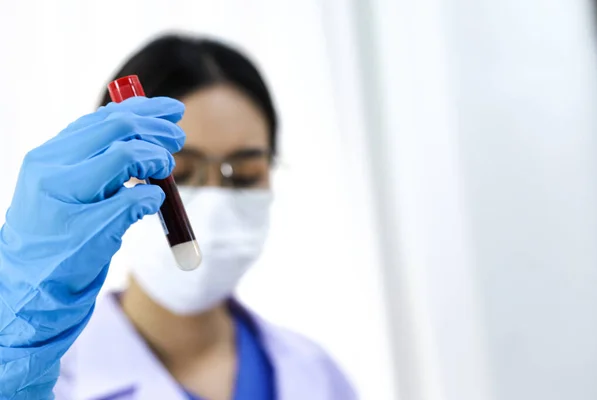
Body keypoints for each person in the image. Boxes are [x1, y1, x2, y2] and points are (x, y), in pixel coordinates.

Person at [0, 34, 356, 400]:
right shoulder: (40, 374)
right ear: (109, 177)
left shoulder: (316, 376)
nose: (215, 203)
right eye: (179, 173)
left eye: (245, 175)